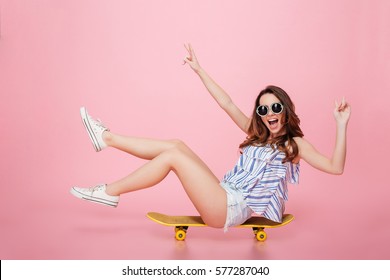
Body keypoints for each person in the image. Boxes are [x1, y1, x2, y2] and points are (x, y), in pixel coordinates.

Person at [70, 44, 351, 231]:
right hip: (224, 194)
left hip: (228, 210)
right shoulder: (257, 134)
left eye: (275, 107)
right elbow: (227, 103)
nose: (269, 113)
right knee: (177, 145)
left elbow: (336, 168)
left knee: (172, 157)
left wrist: (341, 124)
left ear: (285, 111)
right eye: (263, 109)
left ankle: (110, 191)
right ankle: (107, 139)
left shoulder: (293, 144)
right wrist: (199, 70)